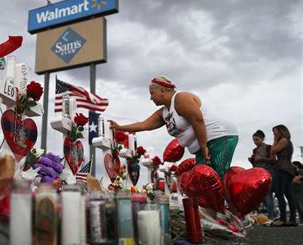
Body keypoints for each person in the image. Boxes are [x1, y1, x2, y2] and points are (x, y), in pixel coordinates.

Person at [109, 76, 239, 216]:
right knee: (202, 182)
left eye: (152, 93)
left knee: (216, 175)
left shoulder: (180, 98)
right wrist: (120, 127)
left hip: (219, 135)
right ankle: (216, 216)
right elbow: (144, 125)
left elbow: (197, 120)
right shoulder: (164, 112)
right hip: (205, 143)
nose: (151, 98)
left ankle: (230, 214)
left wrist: (203, 146)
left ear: (163, 90)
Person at [269, 125, 297, 227]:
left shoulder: (283, 140)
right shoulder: (288, 141)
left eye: (275, 132)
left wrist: (275, 140)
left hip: (282, 169)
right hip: (288, 169)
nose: (274, 134)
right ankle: (292, 219)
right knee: (289, 194)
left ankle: (283, 219)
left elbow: (272, 151)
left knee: (280, 193)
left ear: (281, 131)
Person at [248, 130, 276, 221]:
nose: (255, 142)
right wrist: (252, 160)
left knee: (268, 195)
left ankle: (271, 216)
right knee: (261, 196)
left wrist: (261, 158)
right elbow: (255, 164)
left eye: (257, 140)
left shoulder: (268, 147)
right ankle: (273, 214)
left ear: (262, 138)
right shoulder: (255, 150)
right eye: (254, 140)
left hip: (268, 172)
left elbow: (273, 160)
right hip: (258, 174)